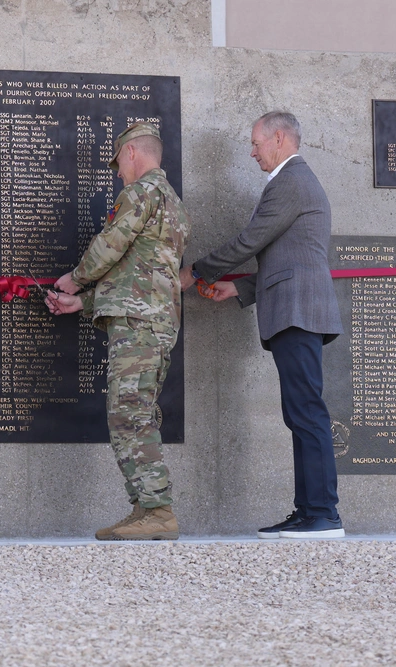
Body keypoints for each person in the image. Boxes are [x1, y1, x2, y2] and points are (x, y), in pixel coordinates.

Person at [179, 111, 345, 539]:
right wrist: (242, 290)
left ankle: (323, 514)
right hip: (293, 308)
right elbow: (291, 256)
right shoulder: (295, 182)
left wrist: (196, 272)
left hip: (297, 312)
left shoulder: (291, 181)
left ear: (278, 138)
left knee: (306, 413)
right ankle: (309, 510)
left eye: (255, 143)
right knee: (300, 413)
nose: (251, 152)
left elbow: (250, 241)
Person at [46, 122, 190, 540]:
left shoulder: (141, 193)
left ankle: (158, 510)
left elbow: (112, 243)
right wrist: (83, 304)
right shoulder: (174, 205)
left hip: (139, 327)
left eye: (119, 164)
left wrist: (74, 280)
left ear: (131, 153)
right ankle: (146, 507)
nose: (118, 173)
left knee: (129, 416)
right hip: (153, 321)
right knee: (133, 413)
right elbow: (142, 278)